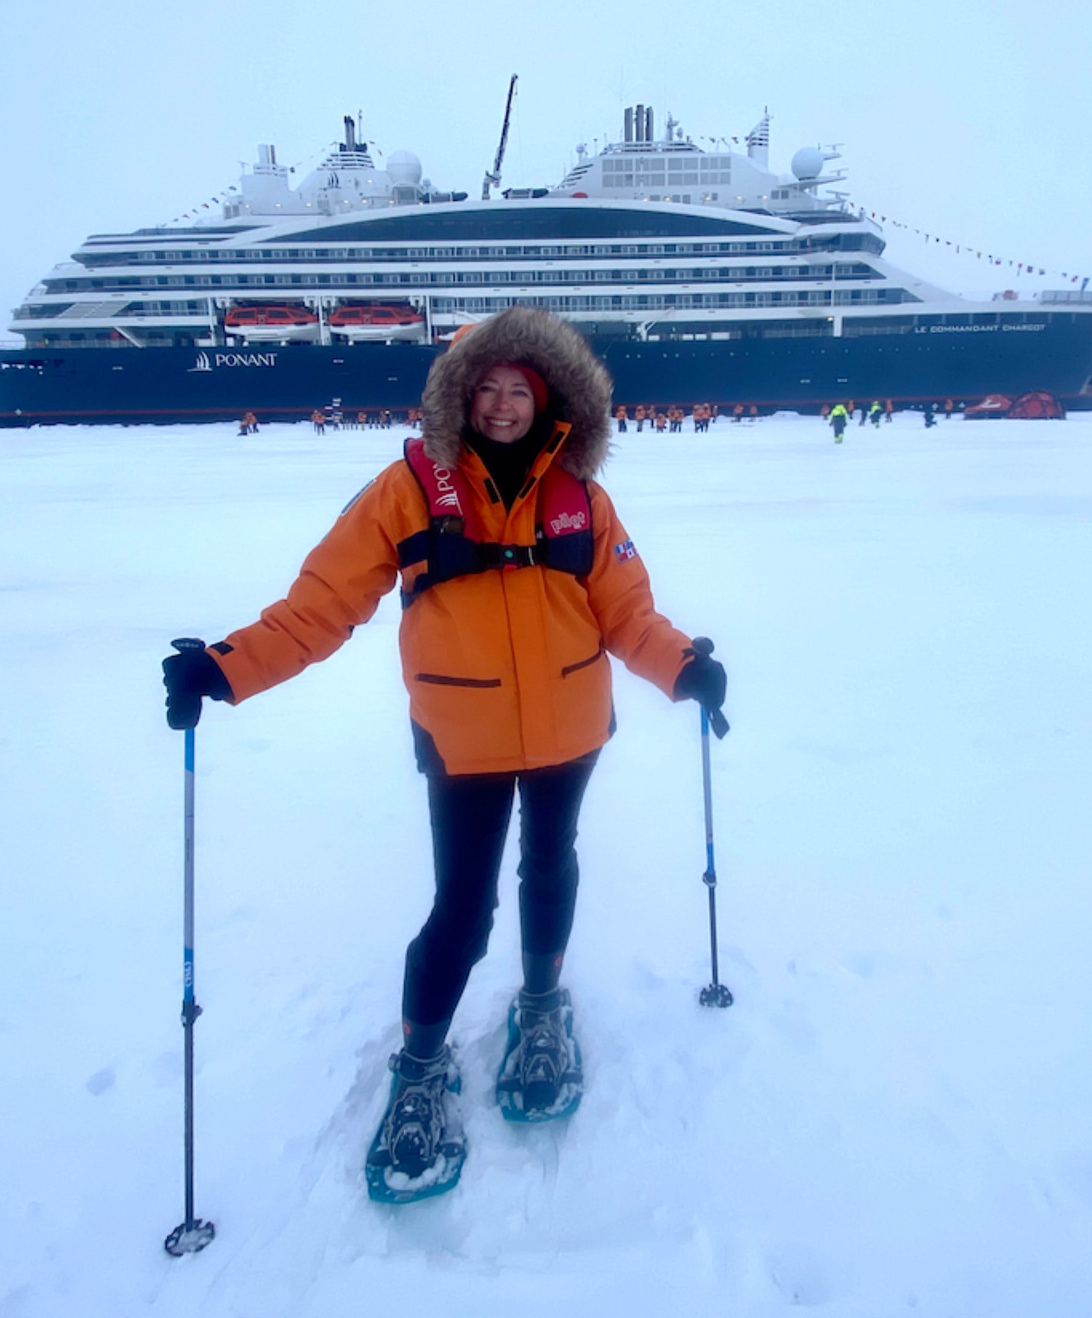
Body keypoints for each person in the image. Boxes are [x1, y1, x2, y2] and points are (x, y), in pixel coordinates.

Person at [161, 306, 726, 1205]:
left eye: (520, 391)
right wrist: (227, 670)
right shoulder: (410, 488)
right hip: (462, 735)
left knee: (551, 868)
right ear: (458, 398)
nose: (502, 407)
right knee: (460, 907)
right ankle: (421, 1067)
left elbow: (626, 609)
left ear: (549, 401)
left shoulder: (583, 494)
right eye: (487, 390)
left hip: (569, 725)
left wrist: (683, 666)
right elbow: (321, 605)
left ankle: (541, 1008)